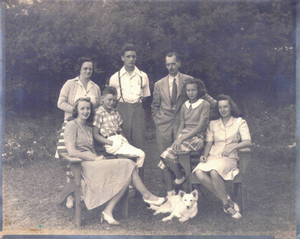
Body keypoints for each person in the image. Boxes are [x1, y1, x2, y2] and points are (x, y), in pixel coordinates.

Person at [64, 97, 166, 225]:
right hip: (82, 166)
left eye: (88, 108)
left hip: (94, 164)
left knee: (128, 171)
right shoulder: (71, 125)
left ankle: (108, 211)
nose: (86, 111)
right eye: (82, 108)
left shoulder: (88, 128)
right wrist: (95, 158)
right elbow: (72, 151)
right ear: (76, 110)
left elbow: (93, 149)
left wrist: (100, 160)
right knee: (128, 165)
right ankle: (148, 196)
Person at [151, 52, 216, 190]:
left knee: (180, 157)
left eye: (173, 64)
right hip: (164, 126)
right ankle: (170, 192)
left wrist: (223, 104)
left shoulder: (188, 80)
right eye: (168, 65)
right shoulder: (159, 84)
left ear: (178, 63)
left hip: (183, 125)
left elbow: (203, 95)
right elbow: (155, 106)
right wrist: (157, 120)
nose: (170, 67)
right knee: (166, 157)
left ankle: (187, 190)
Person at [192, 94, 252, 219]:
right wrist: (204, 155)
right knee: (198, 172)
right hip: (214, 155)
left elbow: (247, 141)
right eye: (220, 107)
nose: (223, 110)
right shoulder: (213, 123)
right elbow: (209, 143)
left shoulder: (239, 122)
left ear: (231, 107)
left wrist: (232, 147)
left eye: (225, 107)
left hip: (230, 156)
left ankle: (226, 205)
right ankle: (226, 199)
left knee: (214, 172)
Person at [158, 78, 210, 196]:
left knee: (168, 155)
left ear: (199, 90)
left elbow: (200, 127)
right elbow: (182, 124)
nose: (191, 93)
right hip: (184, 135)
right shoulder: (184, 106)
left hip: (197, 136)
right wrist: (178, 138)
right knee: (166, 157)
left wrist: (181, 139)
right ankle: (179, 178)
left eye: (193, 90)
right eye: (188, 90)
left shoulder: (204, 105)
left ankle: (182, 178)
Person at [109, 44, 150, 180]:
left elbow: (145, 97)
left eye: (133, 56)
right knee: (123, 146)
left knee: (139, 147)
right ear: (122, 58)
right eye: (128, 57)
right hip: (122, 111)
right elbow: (111, 101)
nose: (131, 59)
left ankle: (140, 184)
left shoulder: (143, 76)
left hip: (138, 111)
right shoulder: (115, 77)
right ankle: (124, 183)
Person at [93, 86, 145, 168]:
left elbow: (120, 130)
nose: (112, 102)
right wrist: (110, 142)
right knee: (141, 154)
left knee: (125, 163)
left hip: (120, 139)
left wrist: (125, 142)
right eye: (109, 100)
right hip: (110, 141)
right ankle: (135, 173)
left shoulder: (115, 112)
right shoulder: (99, 113)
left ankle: (130, 177)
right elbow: (96, 134)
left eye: (114, 100)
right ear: (102, 98)